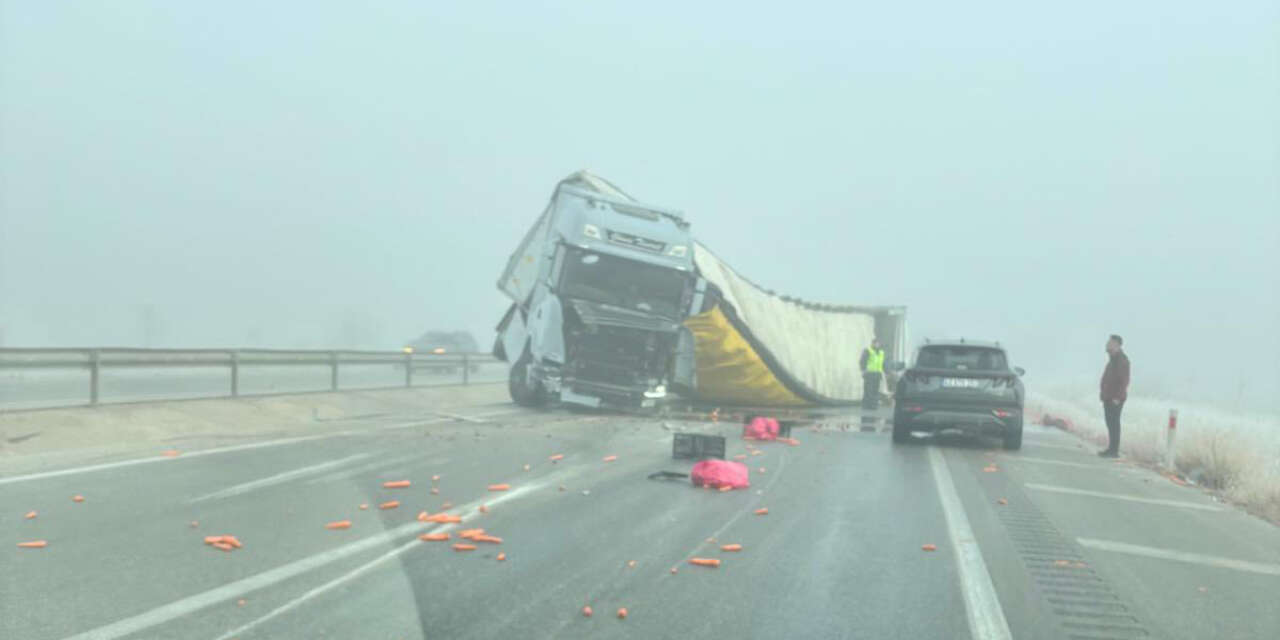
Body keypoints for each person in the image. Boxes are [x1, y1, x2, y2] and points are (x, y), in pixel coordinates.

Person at [1098, 334, 1130, 457]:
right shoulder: (1112, 359)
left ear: (1116, 345)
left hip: (1115, 398)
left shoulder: (1121, 360)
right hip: (1108, 397)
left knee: (1114, 424)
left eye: (1110, 343)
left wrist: (1117, 397)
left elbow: (1124, 380)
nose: (1107, 345)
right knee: (1110, 423)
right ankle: (1111, 449)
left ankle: (1114, 451)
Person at [859, 338, 885, 410]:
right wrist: (863, 370)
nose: (877, 345)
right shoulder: (868, 351)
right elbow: (862, 361)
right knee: (868, 390)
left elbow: (883, 363)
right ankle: (866, 405)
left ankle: (873, 405)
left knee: (875, 390)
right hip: (869, 374)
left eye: (878, 343)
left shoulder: (881, 352)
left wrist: (886, 371)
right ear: (872, 343)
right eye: (875, 343)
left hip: (877, 374)